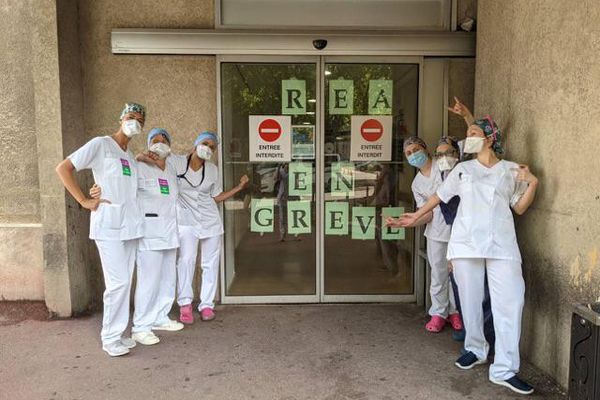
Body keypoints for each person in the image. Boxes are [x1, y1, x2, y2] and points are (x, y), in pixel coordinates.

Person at [393, 116, 539, 395]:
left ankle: (505, 369)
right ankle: (475, 349)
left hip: (502, 246)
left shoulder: (511, 170)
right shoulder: (462, 169)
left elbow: (519, 208)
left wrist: (532, 183)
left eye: (473, 132)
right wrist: (415, 216)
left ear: (489, 138)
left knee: (510, 303)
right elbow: (439, 197)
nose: (468, 137)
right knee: (469, 302)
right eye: (467, 132)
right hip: (465, 245)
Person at [55, 102, 146, 357]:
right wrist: (85, 200)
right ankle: (109, 337)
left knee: (125, 282)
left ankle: (120, 332)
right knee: (117, 283)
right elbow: (63, 168)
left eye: (139, 120)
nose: (134, 122)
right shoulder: (101, 144)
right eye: (130, 116)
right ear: (120, 118)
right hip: (108, 226)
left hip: (129, 226)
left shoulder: (129, 155)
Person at [91, 128, 185, 345]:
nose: (159, 143)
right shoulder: (138, 165)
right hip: (149, 231)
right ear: (148, 142)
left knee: (167, 277)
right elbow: (119, 186)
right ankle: (141, 326)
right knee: (149, 280)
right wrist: (97, 191)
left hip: (169, 230)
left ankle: (160, 316)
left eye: (164, 140)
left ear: (169, 146)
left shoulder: (170, 167)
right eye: (155, 140)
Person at [167, 131, 249, 324]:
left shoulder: (212, 169)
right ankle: (185, 304)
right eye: (205, 143)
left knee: (210, 264)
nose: (208, 148)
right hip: (186, 221)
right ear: (195, 144)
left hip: (210, 220)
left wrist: (239, 188)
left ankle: (206, 305)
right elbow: (157, 163)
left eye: (212, 147)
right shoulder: (176, 162)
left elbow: (216, 197)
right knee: (186, 261)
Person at [401, 136, 463, 334]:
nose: (413, 155)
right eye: (409, 153)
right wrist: (410, 222)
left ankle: (455, 312)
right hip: (436, 232)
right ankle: (438, 313)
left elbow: (464, 147)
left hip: (458, 228)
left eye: (416, 150)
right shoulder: (416, 184)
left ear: (426, 149)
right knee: (438, 273)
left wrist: (467, 118)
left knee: (458, 274)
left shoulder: (442, 163)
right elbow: (425, 213)